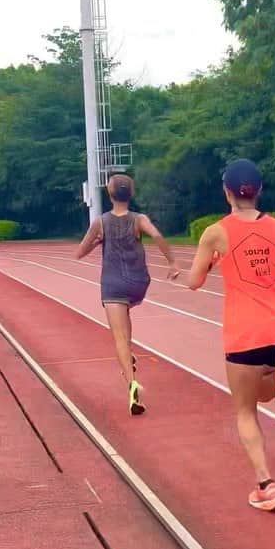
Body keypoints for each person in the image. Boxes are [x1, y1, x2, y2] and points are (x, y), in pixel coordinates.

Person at [184, 159, 275, 512]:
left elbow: (193, 282)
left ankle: (265, 484)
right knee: (268, 395)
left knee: (245, 411)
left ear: (226, 193)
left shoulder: (215, 233)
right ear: (259, 191)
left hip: (245, 331)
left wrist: (213, 262)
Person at [76, 174, 179, 416]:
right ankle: (129, 355)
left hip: (113, 285)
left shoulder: (101, 222)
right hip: (137, 283)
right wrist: (173, 262)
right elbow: (157, 235)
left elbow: (79, 252)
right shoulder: (138, 219)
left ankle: (131, 385)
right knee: (125, 315)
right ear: (131, 194)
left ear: (109, 195)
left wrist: (96, 243)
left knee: (119, 338)